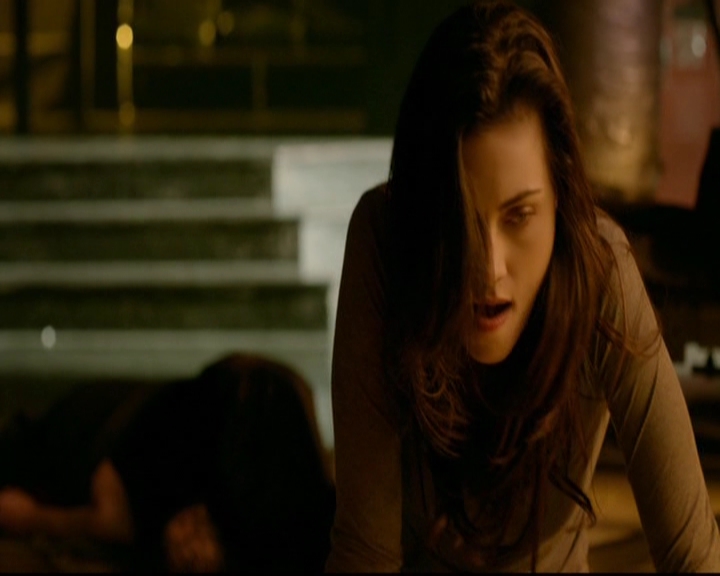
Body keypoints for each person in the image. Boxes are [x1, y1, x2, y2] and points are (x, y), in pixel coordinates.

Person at [326, 0, 720, 572]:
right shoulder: (386, 241)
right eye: (460, 219)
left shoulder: (599, 268)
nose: (489, 269)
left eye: (519, 215)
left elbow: (693, 555)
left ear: (560, 197)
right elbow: (366, 552)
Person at [0, 353, 335, 572]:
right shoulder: (162, 440)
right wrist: (33, 518)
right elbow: (112, 516)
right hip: (89, 437)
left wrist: (32, 518)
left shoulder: (295, 500)